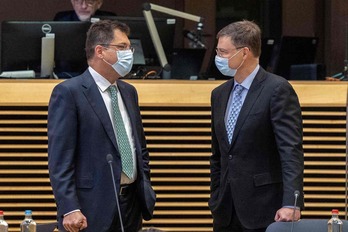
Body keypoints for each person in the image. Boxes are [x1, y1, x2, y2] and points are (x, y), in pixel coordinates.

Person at [47, 19, 156, 232]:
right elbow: (60, 158)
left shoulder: (128, 91)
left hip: (131, 204)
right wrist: (69, 207)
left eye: (129, 48)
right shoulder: (70, 92)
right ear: (100, 51)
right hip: (91, 207)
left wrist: (145, 186)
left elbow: (139, 146)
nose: (129, 53)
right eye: (122, 47)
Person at [208, 20, 304, 232]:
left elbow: (290, 151)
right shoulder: (219, 94)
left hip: (264, 207)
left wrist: (292, 203)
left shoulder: (277, 89)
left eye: (224, 52)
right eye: (218, 51)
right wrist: (215, 194)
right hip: (225, 208)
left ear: (244, 53)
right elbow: (219, 154)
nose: (218, 58)